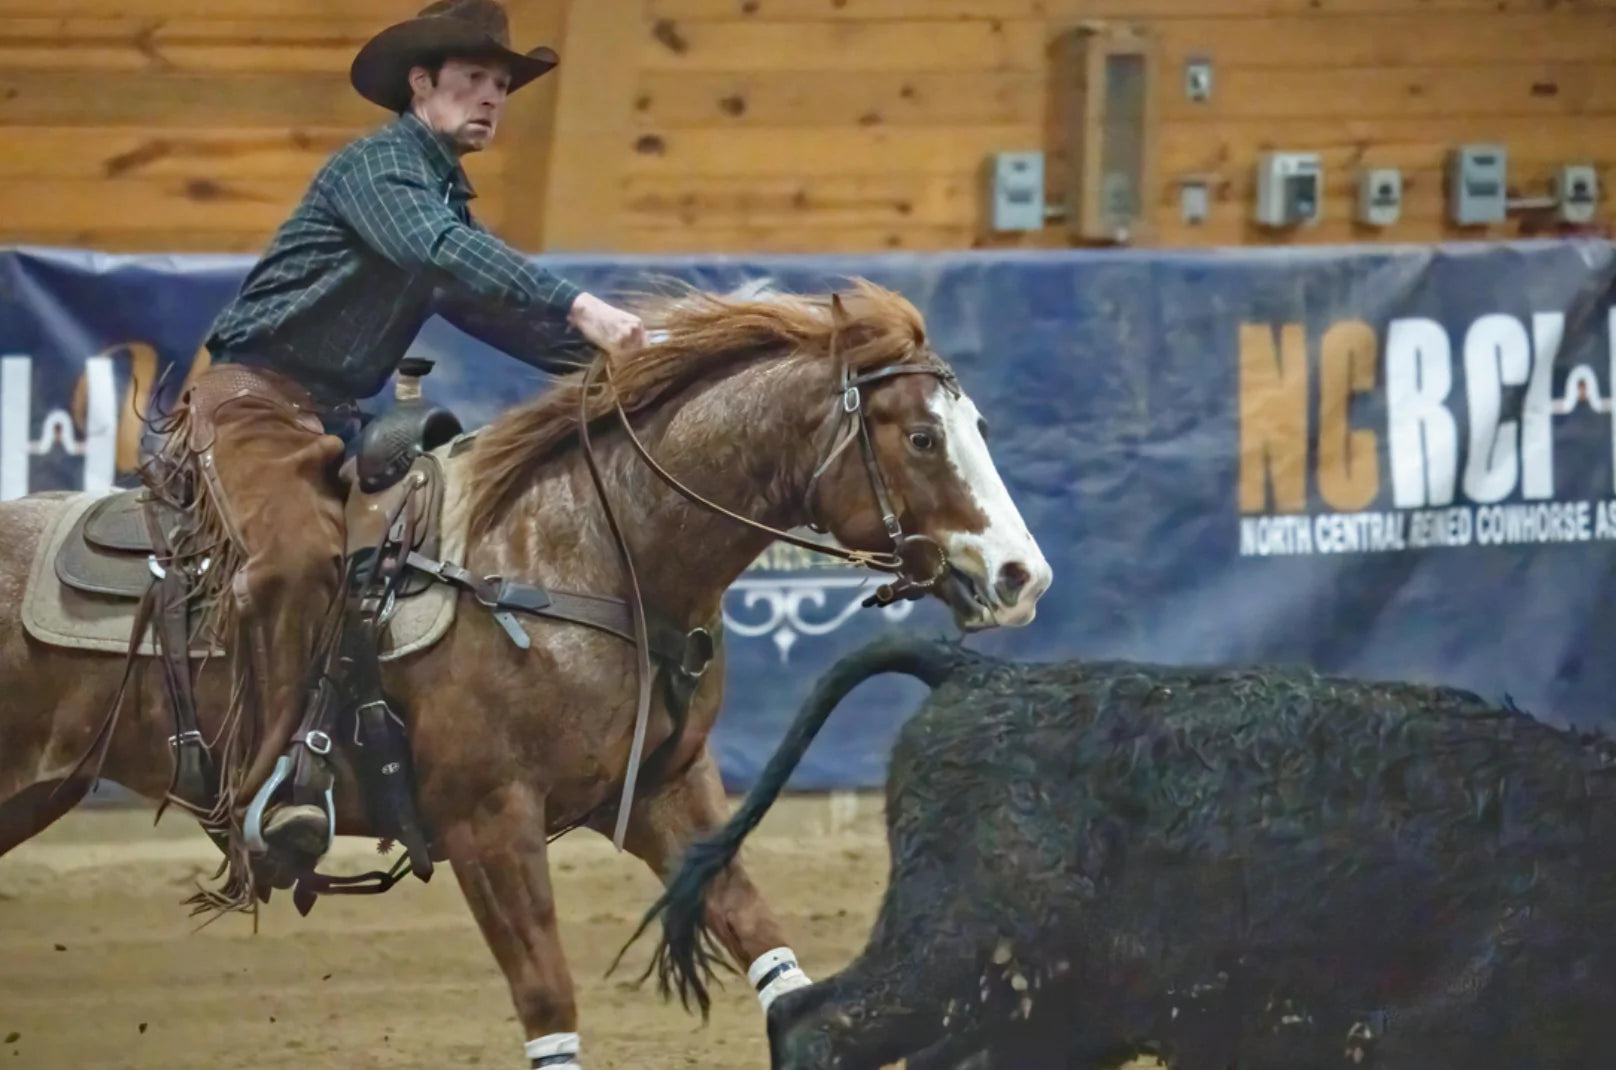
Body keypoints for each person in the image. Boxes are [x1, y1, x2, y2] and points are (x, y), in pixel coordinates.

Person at [151, 0, 642, 875]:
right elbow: (448, 252)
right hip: (250, 405)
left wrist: (640, 362)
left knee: (420, 560)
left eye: (501, 86)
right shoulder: (380, 171)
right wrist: (583, 303)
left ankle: (352, 751)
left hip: (331, 421)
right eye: (474, 81)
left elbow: (493, 308)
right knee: (298, 557)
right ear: (422, 85)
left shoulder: (436, 195)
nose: (492, 99)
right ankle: (269, 788)